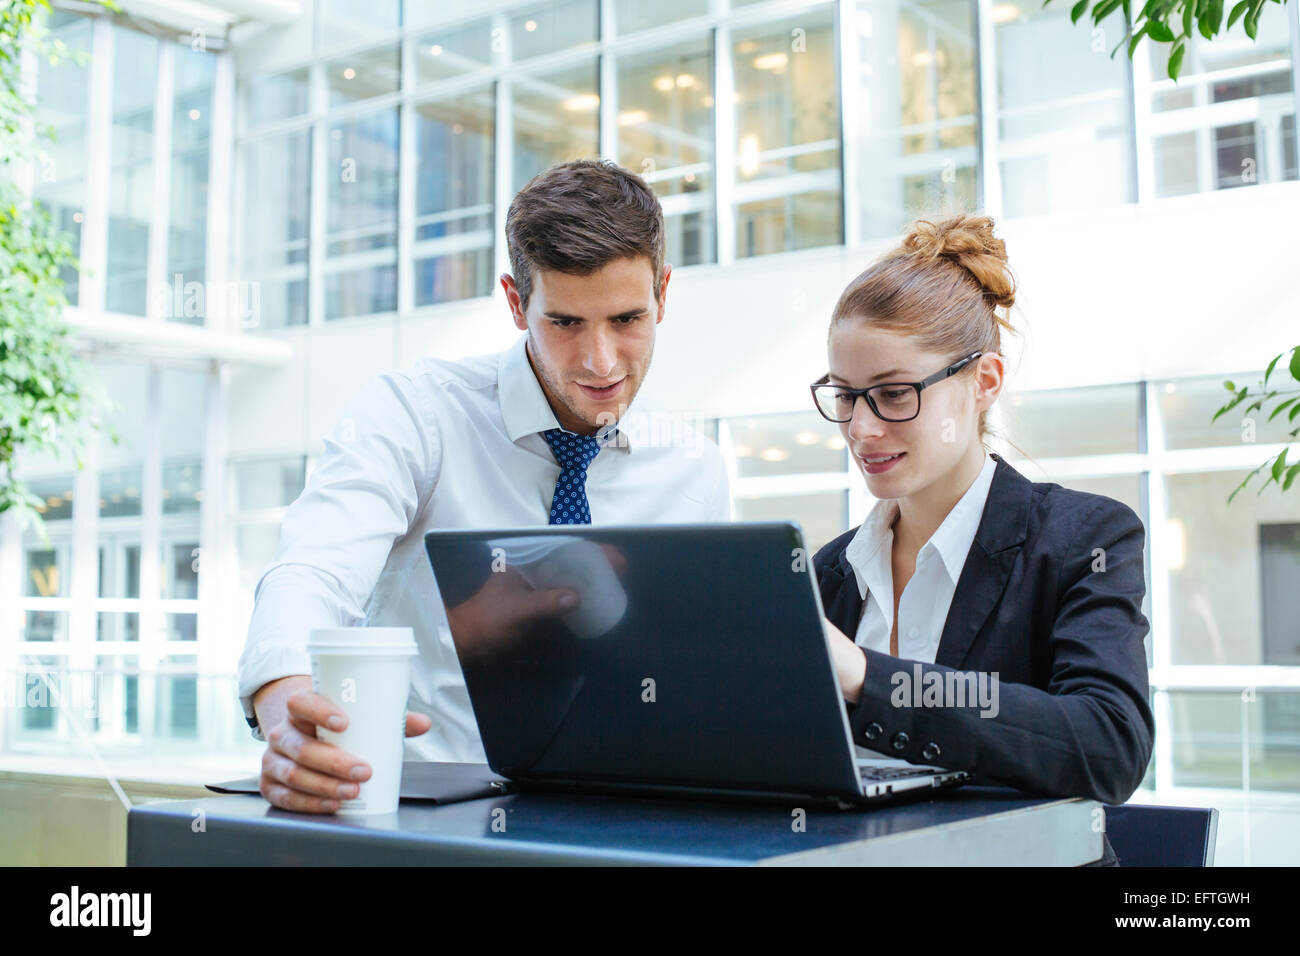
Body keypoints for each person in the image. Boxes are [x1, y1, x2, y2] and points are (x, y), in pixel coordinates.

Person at [240, 159, 731, 814]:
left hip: (621, 823)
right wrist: (285, 713)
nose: (600, 361)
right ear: (515, 301)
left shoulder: (695, 472)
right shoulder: (415, 415)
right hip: (429, 828)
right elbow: (312, 570)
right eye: (564, 323)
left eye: (626, 319)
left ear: (663, 295)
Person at [809, 214, 1154, 827]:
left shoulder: (1082, 540)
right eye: (844, 395)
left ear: (983, 382)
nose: (861, 428)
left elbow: (1108, 744)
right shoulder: (831, 572)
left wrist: (869, 677)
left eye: (893, 394)